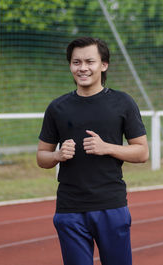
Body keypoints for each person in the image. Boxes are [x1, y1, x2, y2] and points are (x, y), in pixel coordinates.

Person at [37, 37, 149, 265]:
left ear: (104, 65)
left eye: (90, 61)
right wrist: (57, 156)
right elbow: (42, 157)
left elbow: (142, 152)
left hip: (111, 205)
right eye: (76, 62)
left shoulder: (123, 103)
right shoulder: (57, 107)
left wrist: (106, 147)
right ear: (70, 66)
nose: (83, 68)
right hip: (70, 208)